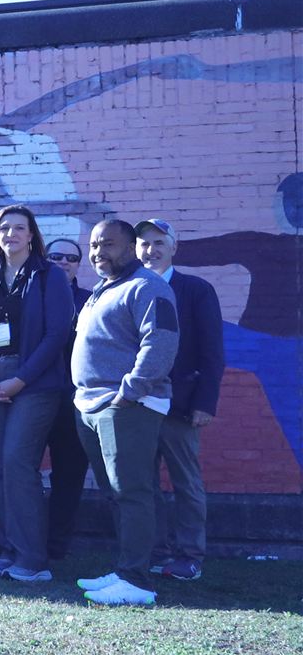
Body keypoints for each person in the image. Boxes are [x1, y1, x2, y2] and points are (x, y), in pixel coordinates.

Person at [71, 220, 180, 607]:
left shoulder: (148, 286)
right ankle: (124, 570)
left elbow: (161, 342)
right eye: (95, 245)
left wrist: (129, 392)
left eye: (109, 244)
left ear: (132, 247)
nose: (100, 251)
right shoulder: (104, 289)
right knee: (115, 494)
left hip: (126, 406)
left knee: (132, 492)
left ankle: (137, 580)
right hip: (92, 404)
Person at [0, 205, 75, 583]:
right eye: (4, 228)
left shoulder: (50, 276)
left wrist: (20, 381)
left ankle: (33, 560)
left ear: (31, 236)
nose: (10, 234)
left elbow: (57, 333)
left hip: (35, 384)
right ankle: (8, 549)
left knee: (17, 462)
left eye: (19, 228)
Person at [135, 217, 224, 582]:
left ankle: (189, 555)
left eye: (158, 242)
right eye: (143, 243)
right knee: (143, 483)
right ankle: (154, 551)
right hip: (138, 406)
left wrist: (206, 402)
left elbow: (212, 351)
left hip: (181, 405)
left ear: (174, 247)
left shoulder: (195, 290)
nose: (150, 250)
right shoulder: (127, 289)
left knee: (185, 480)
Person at [42, 237, 93, 567]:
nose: (63, 262)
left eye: (71, 258)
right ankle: (16, 538)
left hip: (73, 402)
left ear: (78, 264)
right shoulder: (30, 295)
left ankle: (57, 545)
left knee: (69, 476)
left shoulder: (90, 301)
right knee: (19, 470)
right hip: (30, 395)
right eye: (56, 256)